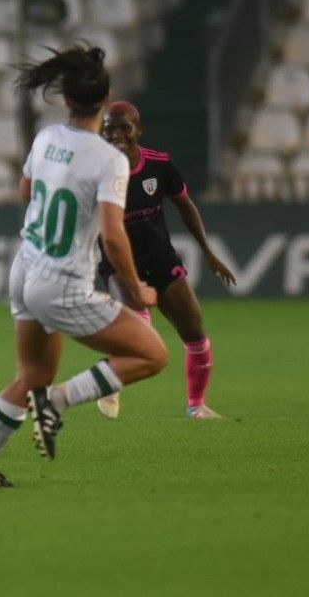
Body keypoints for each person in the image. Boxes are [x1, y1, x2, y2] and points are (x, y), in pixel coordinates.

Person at [0, 44, 168, 488]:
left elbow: (26, 189)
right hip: (62, 282)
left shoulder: (46, 139)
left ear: (66, 99)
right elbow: (112, 234)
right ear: (104, 99)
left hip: (25, 267)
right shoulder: (109, 160)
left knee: (31, 373)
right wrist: (138, 288)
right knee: (151, 354)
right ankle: (57, 400)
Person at [94, 100, 236, 420]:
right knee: (138, 330)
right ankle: (111, 381)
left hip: (161, 260)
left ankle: (196, 405)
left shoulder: (159, 164)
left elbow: (185, 206)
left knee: (195, 333)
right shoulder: (94, 172)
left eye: (124, 127)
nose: (116, 134)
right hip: (119, 264)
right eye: (109, 129)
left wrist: (209, 253)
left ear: (138, 130)